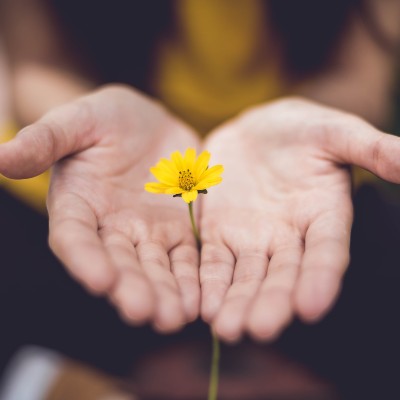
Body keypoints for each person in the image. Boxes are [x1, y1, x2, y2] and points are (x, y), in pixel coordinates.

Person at [0, 0, 400, 348]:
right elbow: (39, 64)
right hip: (101, 188)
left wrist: (315, 120)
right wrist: (79, 120)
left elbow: (358, 77)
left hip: (299, 192)